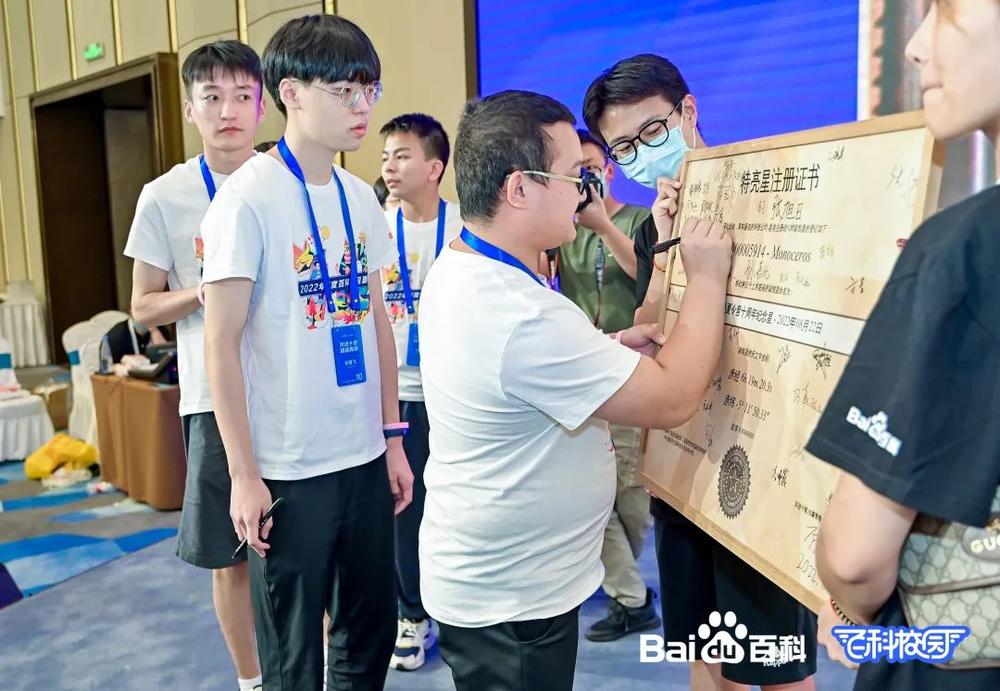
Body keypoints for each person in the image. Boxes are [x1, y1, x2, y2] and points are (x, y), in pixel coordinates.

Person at [418, 89, 732, 691]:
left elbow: (516, 373)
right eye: (572, 176)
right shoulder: (518, 311)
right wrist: (708, 277)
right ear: (519, 189)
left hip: (506, 581)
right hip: (512, 601)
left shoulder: (467, 267)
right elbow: (673, 398)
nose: (584, 192)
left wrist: (606, 349)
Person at [583, 53, 819, 690]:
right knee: (705, 649)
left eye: (652, 132)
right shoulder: (651, 228)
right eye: (624, 147)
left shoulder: (769, 198)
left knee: (777, 662)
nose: (641, 154)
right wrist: (664, 248)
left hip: (760, 462)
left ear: (687, 111)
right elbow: (651, 331)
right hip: (685, 462)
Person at [200, 15, 413, 691]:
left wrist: (392, 436)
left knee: (369, 633)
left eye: (369, 90)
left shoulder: (358, 196)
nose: (361, 106)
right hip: (288, 467)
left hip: (364, 455)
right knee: (293, 653)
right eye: (344, 91)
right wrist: (243, 473)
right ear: (290, 93)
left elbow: (377, 322)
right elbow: (219, 345)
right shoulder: (246, 199)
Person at [808, 1, 1000, 689]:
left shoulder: (961, 252)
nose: (917, 45)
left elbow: (857, 559)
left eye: (944, 11)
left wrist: (846, 605)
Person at [123, 39, 265, 691]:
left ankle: (312, 672)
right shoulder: (164, 195)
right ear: (189, 109)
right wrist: (204, 293)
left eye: (242, 96)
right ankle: (251, 680)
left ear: (263, 106)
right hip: (212, 398)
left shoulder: (290, 184)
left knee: (305, 548)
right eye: (212, 97)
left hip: (294, 395)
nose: (227, 111)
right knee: (228, 554)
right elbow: (142, 306)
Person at [559, 129, 660, 642]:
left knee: (633, 498)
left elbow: (647, 276)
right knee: (593, 495)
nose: (584, 177)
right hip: (580, 374)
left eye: (591, 167)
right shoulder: (561, 227)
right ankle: (630, 594)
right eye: (573, 169)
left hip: (633, 369)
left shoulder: (640, 220)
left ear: (611, 170)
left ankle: (623, 578)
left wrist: (601, 224)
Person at [379, 112, 463, 671]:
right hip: (396, 396)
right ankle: (411, 615)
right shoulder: (373, 228)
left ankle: (456, 612)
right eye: (385, 156)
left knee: (453, 506)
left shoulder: (464, 226)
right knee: (403, 511)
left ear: (434, 168)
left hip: (452, 391)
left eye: (402, 155)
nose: (389, 165)